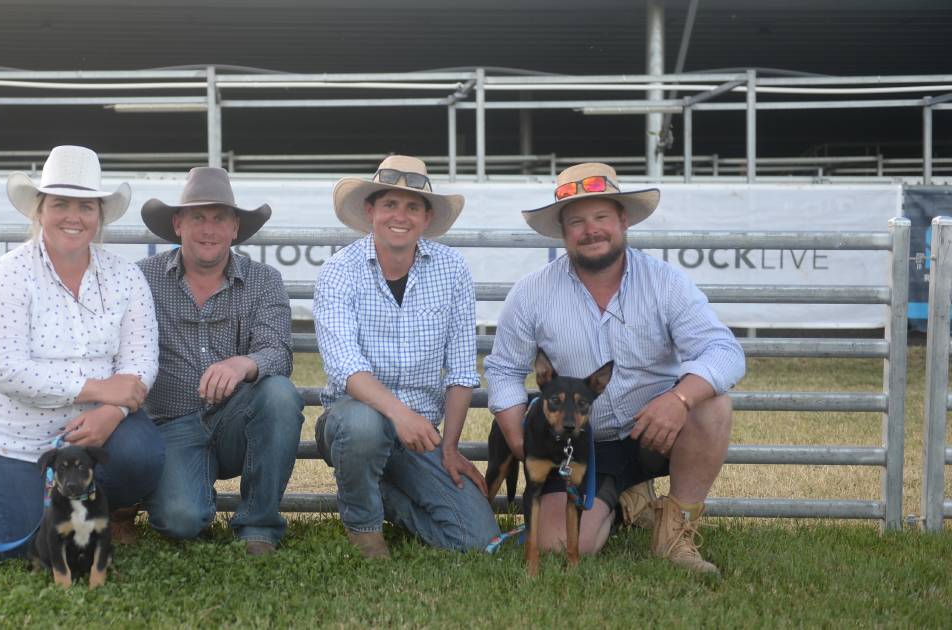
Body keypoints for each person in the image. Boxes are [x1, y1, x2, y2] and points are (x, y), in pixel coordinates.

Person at [484, 162, 745, 574]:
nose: (591, 230)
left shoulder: (665, 282)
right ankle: (627, 499)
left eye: (601, 216)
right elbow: (503, 371)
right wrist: (521, 443)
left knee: (711, 404)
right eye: (577, 221)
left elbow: (723, 350)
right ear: (563, 231)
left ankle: (676, 531)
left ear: (623, 220)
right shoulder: (531, 292)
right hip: (580, 444)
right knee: (559, 546)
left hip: (655, 434)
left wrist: (679, 399)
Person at [0, 145, 165, 556]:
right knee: (29, 547)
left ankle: (102, 512)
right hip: (11, 435)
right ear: (40, 210)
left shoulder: (126, 277)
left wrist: (112, 413)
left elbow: (141, 362)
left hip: (91, 433)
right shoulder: (8, 276)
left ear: (99, 215)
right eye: (61, 204)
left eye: (86, 206)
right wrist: (98, 391)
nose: (74, 216)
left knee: (142, 453)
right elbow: (7, 370)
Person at [313, 155, 501, 559]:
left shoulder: (452, 270)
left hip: (420, 435)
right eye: (390, 205)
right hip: (352, 420)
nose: (401, 215)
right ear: (370, 211)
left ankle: (377, 491)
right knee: (363, 425)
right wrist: (400, 415)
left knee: (478, 541)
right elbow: (345, 367)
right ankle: (364, 529)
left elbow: (462, 370)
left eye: (413, 206)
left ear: (427, 217)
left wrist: (450, 447)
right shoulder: (339, 271)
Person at [135, 167, 303, 556]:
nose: (208, 229)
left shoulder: (264, 280)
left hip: (237, 422)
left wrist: (241, 364)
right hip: (171, 425)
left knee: (279, 394)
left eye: (219, 218)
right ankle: (192, 497)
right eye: (198, 217)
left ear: (235, 228)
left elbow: (278, 350)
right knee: (180, 520)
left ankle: (258, 527)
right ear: (178, 224)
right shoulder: (143, 278)